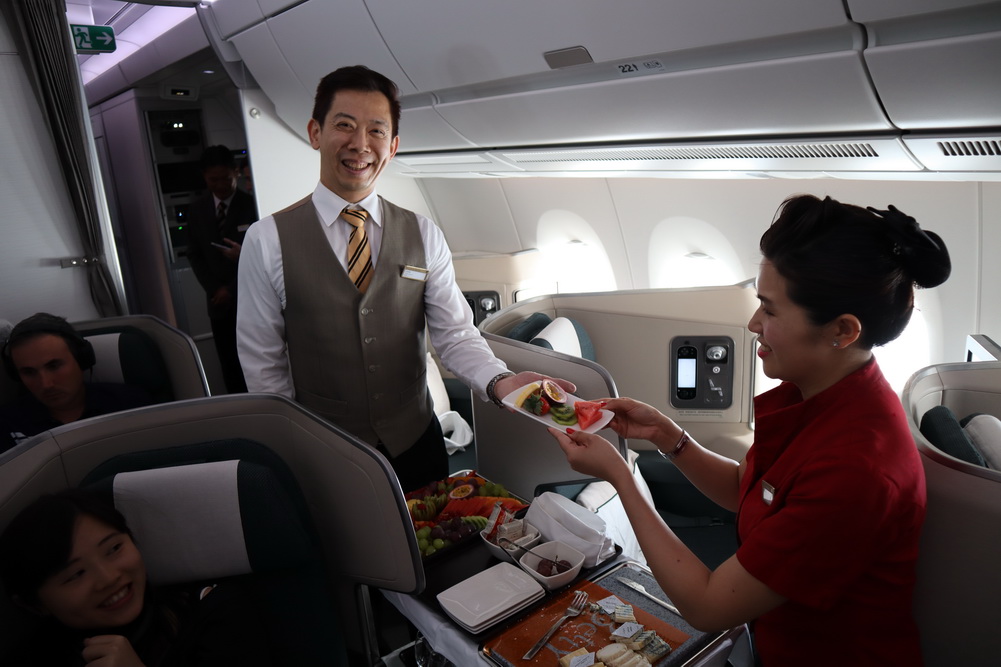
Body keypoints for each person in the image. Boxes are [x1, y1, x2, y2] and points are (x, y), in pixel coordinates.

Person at [550, 195, 951, 666]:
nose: (752, 323)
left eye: (770, 310)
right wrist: (669, 438)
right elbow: (752, 491)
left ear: (842, 330)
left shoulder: (858, 469)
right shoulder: (820, 395)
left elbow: (706, 606)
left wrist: (620, 476)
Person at [237, 65, 570, 491]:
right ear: (315, 133)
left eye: (376, 131)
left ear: (392, 146)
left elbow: (455, 336)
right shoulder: (266, 241)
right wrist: (298, 449)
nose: (360, 144)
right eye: (344, 125)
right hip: (326, 449)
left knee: (432, 549)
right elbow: (265, 368)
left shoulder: (423, 233)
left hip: (416, 442)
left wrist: (500, 381)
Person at [0, 488, 273, 666]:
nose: (108, 578)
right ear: (34, 604)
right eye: (76, 574)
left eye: (114, 549)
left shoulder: (211, 611)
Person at [1, 313, 151, 453]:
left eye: (54, 366)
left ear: (82, 360)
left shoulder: (131, 405)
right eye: (29, 372)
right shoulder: (7, 423)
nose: (46, 384)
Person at [186, 145, 259, 394]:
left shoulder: (253, 205)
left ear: (236, 173)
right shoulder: (197, 209)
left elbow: (264, 256)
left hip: (250, 298)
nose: (219, 185)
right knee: (228, 364)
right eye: (212, 180)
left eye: (225, 179)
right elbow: (195, 254)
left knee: (256, 362)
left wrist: (231, 288)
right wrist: (215, 289)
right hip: (218, 302)